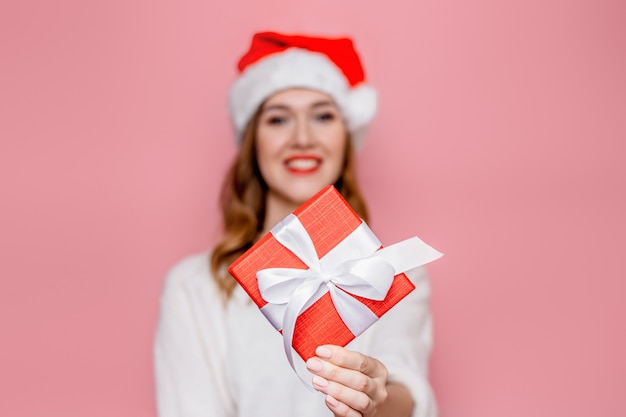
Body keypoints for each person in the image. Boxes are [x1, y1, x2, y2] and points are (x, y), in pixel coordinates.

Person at [154, 31, 437, 417]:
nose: (302, 138)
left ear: (346, 136)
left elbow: (407, 389)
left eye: (323, 115)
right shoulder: (192, 286)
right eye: (278, 119)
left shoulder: (391, 271)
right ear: (253, 142)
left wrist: (375, 400)